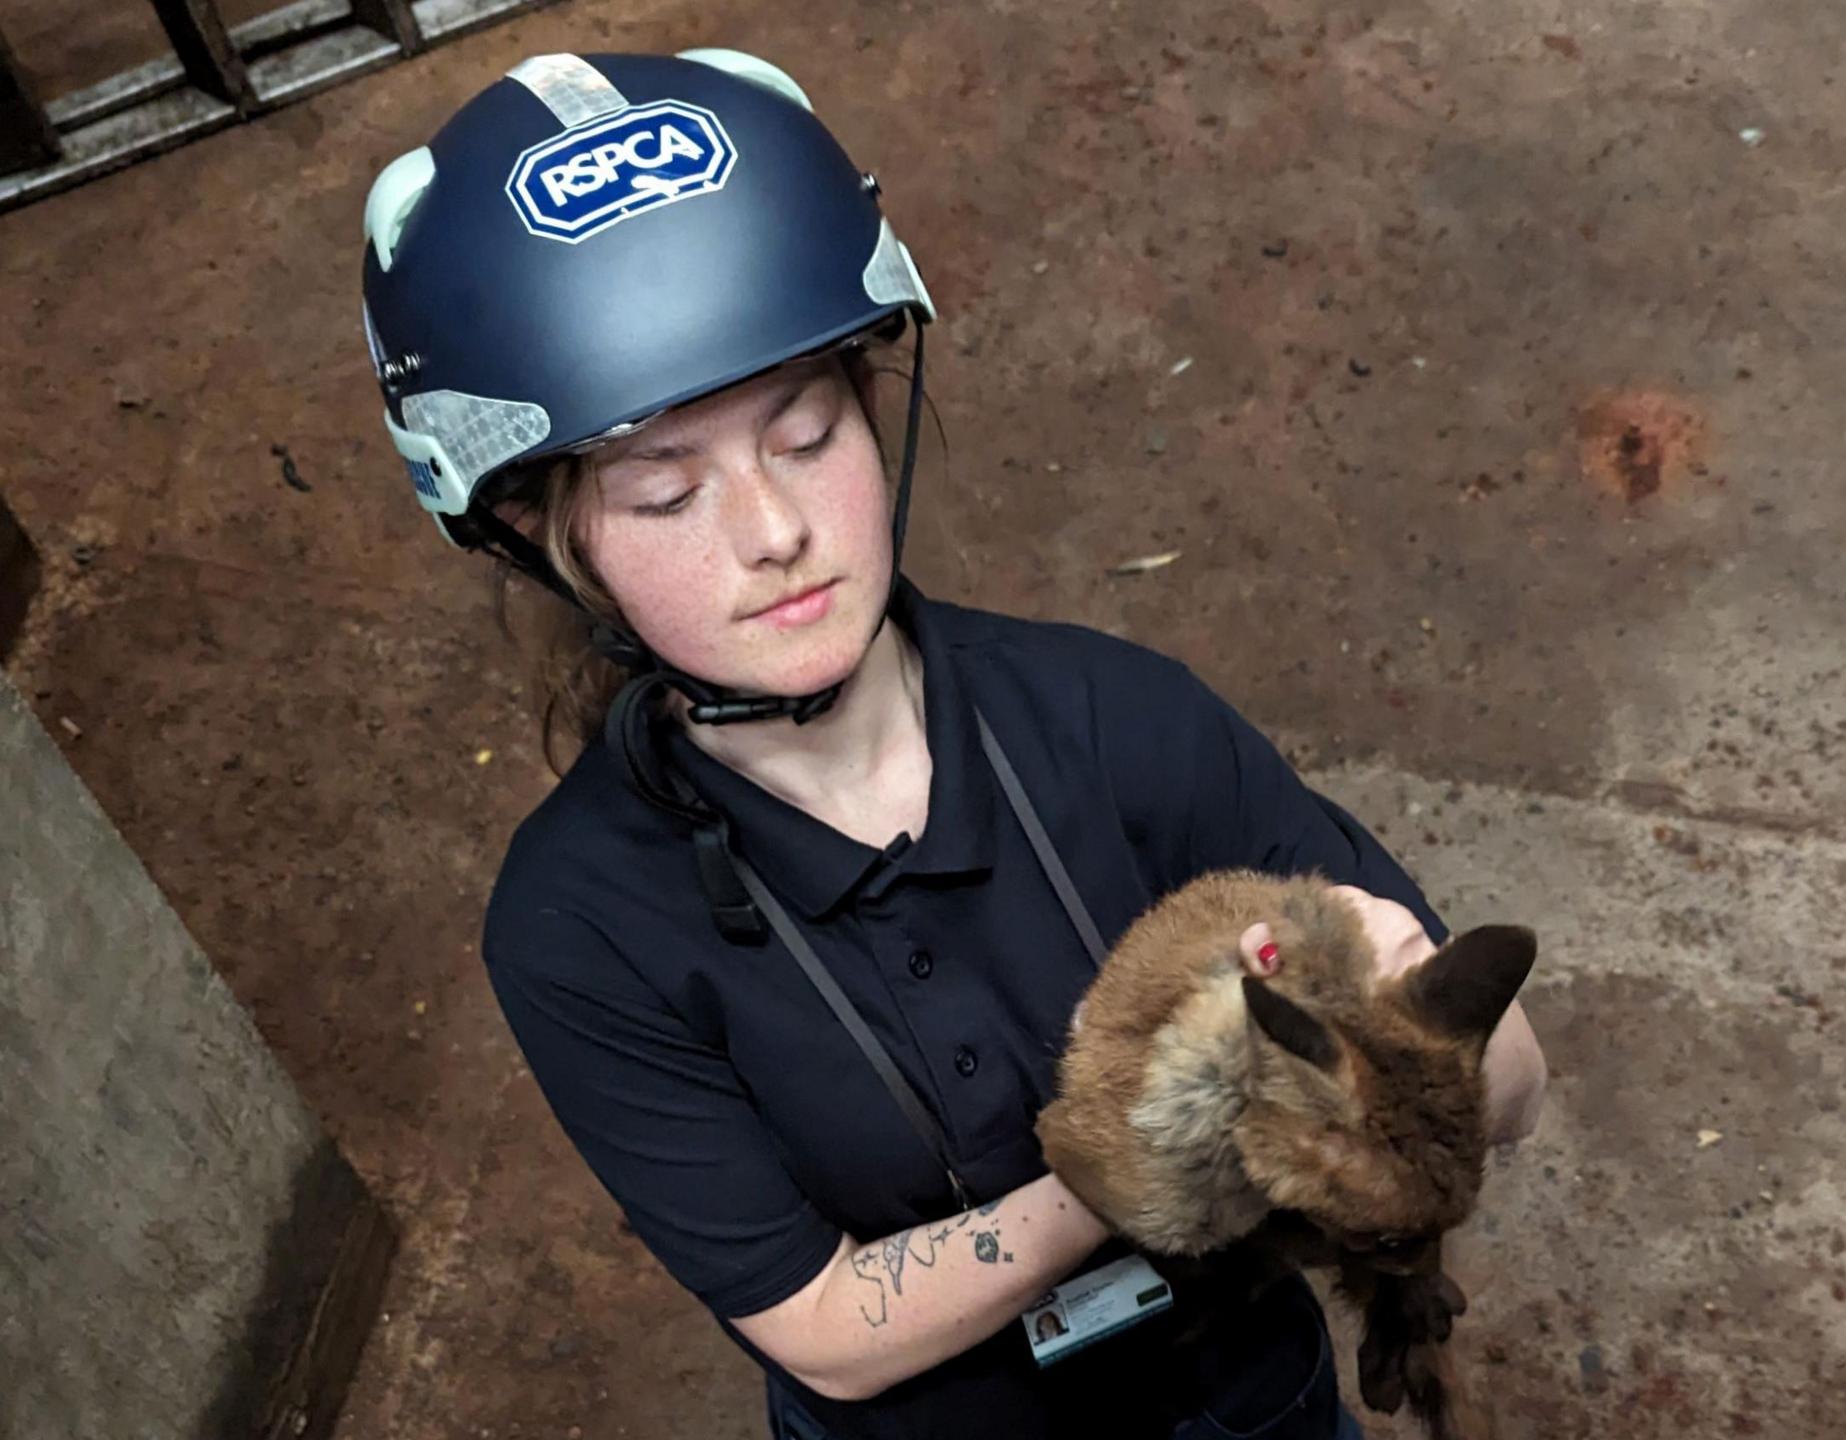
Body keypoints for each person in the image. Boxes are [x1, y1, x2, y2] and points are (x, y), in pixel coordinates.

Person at [357, 46, 1547, 1440]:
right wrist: (1133, 1162)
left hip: (1249, 1404)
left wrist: (1419, 1030)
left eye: (806, 434)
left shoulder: (1115, 719)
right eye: (669, 495)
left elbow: (1516, 1083)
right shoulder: (577, 926)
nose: (773, 532)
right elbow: (830, 1334)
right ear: (535, 534)